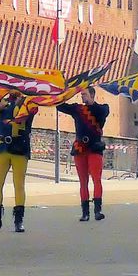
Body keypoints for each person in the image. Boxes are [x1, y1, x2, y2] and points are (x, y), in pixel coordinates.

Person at [0, 91, 38, 233]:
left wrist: (21, 103)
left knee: (18, 184)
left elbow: (32, 111)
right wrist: (1, 103)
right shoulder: (1, 102)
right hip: (1, 146)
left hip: (20, 147)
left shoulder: (28, 103)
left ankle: (19, 220)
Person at [58, 88, 109, 221]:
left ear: (92, 95)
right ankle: (85, 212)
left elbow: (103, 112)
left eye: (84, 94)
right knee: (83, 181)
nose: (82, 97)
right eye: (81, 95)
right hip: (80, 148)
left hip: (94, 148)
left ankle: (98, 210)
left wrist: (91, 103)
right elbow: (60, 106)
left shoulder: (101, 109)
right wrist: (64, 94)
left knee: (96, 179)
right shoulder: (77, 109)